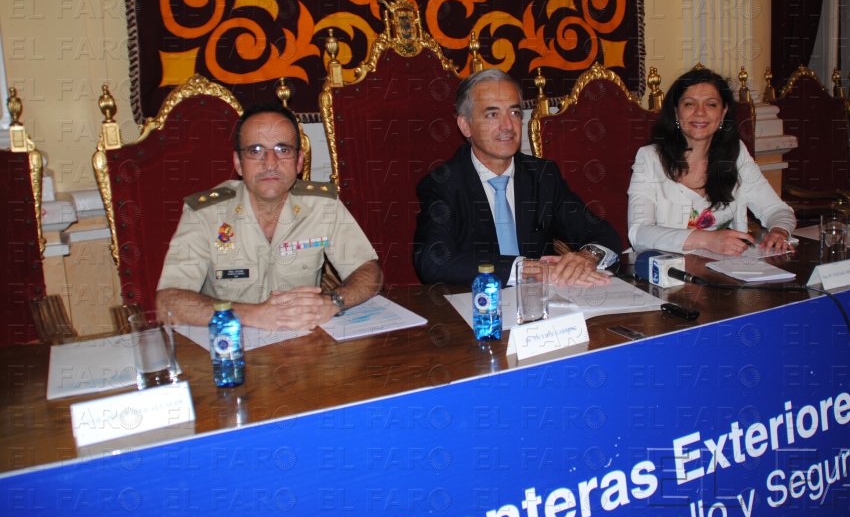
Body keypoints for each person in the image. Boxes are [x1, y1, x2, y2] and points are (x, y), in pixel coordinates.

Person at [156, 102, 382, 329]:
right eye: (256, 151)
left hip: (304, 342)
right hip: (231, 341)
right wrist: (252, 315)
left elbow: (369, 272)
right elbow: (168, 301)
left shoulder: (322, 206)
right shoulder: (205, 213)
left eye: (283, 150)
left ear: (298, 162)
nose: (270, 163)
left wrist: (333, 302)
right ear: (238, 163)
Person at [414, 68, 623, 286]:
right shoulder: (443, 184)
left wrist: (588, 256)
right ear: (465, 126)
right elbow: (432, 261)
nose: (508, 126)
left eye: (514, 113)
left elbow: (602, 232)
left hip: (545, 299)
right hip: (479, 301)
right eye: (492, 114)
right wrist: (522, 269)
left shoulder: (542, 176)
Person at [628, 67, 796, 256]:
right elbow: (639, 233)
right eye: (689, 104)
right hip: (667, 267)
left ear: (723, 112)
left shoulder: (736, 153)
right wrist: (708, 240)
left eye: (711, 104)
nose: (700, 112)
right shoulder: (649, 158)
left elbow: (776, 210)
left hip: (726, 266)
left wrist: (779, 231)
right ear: (676, 111)